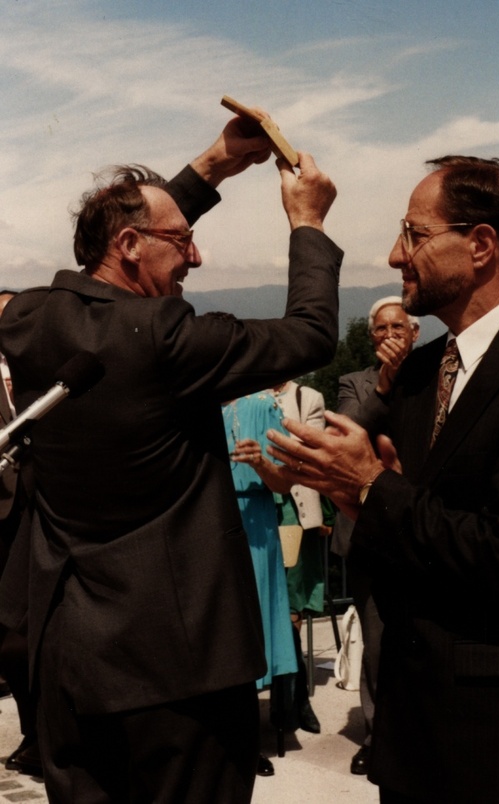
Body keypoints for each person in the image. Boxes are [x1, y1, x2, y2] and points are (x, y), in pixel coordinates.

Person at [0, 109, 341, 803]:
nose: (196, 256)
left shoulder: (29, 319)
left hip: (69, 665)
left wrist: (213, 166)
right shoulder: (168, 339)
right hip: (181, 677)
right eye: (182, 242)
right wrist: (307, 222)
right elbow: (309, 335)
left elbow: (116, 255)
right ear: (130, 244)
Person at [267, 155, 499, 803]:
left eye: (414, 235)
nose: (395, 255)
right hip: (413, 736)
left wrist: (375, 490)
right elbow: (399, 538)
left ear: (481, 244)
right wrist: (352, 495)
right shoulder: (421, 372)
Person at [330, 296, 419, 775]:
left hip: (426, 527)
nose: (389, 336)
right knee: (378, 638)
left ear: (415, 333)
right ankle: (377, 733)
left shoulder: (434, 380)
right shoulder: (354, 383)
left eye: (398, 328)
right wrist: (383, 387)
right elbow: (349, 433)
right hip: (368, 530)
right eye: (381, 329)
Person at [223, 390, 299, 777]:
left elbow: (284, 484)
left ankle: (246, 739)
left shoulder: (259, 406)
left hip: (252, 520)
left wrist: (259, 465)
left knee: (250, 628)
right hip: (198, 521)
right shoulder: (186, 401)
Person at [0, 289, 41, 777]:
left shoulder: (42, 370)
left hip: (40, 514)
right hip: (1, 518)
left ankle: (40, 734)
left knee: (30, 636)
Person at [272, 379, 328, 735]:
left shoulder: (307, 397)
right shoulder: (246, 397)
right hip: (260, 508)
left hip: (293, 508)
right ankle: (287, 703)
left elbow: (311, 450)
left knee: (291, 609)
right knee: (264, 607)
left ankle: (294, 703)